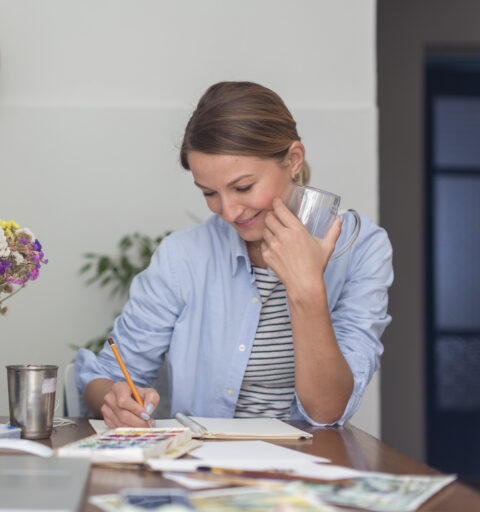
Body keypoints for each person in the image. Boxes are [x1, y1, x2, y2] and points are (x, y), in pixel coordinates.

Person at [75, 81, 393, 428]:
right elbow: (104, 376)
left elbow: (327, 410)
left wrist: (305, 285)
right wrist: (115, 401)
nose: (228, 211)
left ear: (293, 160)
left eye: (243, 187)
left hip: (308, 469)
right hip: (201, 468)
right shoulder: (182, 256)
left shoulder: (361, 249)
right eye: (209, 193)